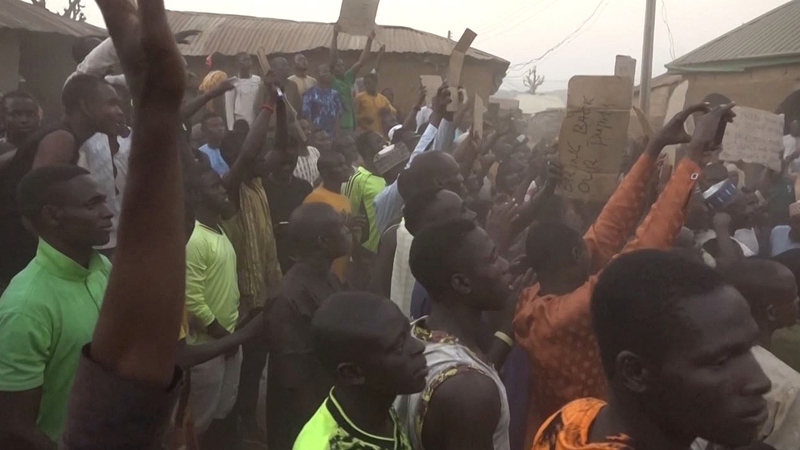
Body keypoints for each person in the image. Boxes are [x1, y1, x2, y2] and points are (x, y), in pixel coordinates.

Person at [514, 103, 720, 438]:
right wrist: (692, 159)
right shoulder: (566, 315)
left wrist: (654, 148)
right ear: (574, 255)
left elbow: (609, 225)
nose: (592, 242)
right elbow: (646, 248)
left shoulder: (535, 295)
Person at [56, 0, 189, 446]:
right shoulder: (65, 140)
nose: (118, 111)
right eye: (109, 104)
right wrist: (156, 105)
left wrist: (158, 105)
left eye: (121, 104)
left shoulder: (122, 140)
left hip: (115, 252)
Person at [532, 250, 772, 450]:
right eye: (720, 361)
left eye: (750, 347)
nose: (761, 382)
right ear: (635, 372)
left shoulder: (571, 419)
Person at [0, 165, 113, 448]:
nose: (108, 212)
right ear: (52, 215)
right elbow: (15, 427)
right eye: (92, 205)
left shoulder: (102, 268)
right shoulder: (26, 307)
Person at [396, 218, 515, 450]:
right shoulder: (468, 391)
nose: (505, 265)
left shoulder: (413, 335)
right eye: (493, 259)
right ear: (461, 283)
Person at [0, 74, 122, 286]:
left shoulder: (58, 134)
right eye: (111, 104)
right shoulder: (61, 138)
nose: (119, 111)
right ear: (85, 106)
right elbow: (38, 206)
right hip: (20, 250)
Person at [293, 292, 428, 450]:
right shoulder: (325, 446)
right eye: (399, 344)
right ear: (351, 373)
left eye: (408, 331)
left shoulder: (376, 404)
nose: (419, 346)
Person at [267, 202, 351, 450]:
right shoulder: (288, 297)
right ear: (323, 241)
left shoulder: (328, 277)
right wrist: (325, 432)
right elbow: (295, 382)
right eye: (341, 227)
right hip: (307, 424)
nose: (347, 231)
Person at [693, 259, 800, 450]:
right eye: (792, 296)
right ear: (772, 312)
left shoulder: (693, 359)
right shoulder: (787, 388)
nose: (798, 301)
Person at [183, 165, 243, 436]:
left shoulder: (219, 230)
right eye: (214, 187)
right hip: (207, 346)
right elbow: (192, 299)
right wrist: (223, 337)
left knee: (222, 412)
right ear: (197, 195)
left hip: (227, 340)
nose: (223, 190)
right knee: (197, 423)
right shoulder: (195, 239)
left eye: (221, 184)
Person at [303, 150, 355, 282]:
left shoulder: (343, 198)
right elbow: (310, 239)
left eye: (345, 163)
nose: (346, 168)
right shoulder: (315, 198)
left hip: (341, 274)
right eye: (339, 165)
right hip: (324, 276)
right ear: (325, 173)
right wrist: (344, 226)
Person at [263, 138, 314, 273]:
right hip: (270, 256)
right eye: (282, 163)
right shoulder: (262, 189)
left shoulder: (304, 188)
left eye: (290, 163)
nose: (286, 168)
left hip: (299, 255)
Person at [343, 131, 387, 254]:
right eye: (378, 141)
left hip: (390, 246)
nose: (384, 143)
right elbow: (350, 216)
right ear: (367, 149)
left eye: (383, 139)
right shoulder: (358, 179)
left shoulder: (391, 174)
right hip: (370, 250)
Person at [330, 25, 375, 135]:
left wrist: (369, 40)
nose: (341, 67)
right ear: (333, 68)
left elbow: (361, 62)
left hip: (350, 124)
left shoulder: (347, 77)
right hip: (337, 126)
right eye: (338, 66)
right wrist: (335, 35)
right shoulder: (332, 80)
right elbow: (334, 57)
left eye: (342, 65)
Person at [302, 64, 343, 138]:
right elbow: (307, 116)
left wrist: (337, 135)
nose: (327, 74)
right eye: (324, 71)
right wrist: (313, 134)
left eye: (329, 72)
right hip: (317, 135)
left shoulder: (335, 94)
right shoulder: (310, 93)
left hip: (332, 135)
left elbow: (337, 116)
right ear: (317, 74)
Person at [224, 52, 262, 129]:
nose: (248, 62)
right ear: (237, 64)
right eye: (244, 60)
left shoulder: (257, 80)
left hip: (256, 121)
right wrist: (231, 128)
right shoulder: (232, 82)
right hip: (240, 122)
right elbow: (229, 107)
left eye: (249, 59)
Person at [293, 119, 321, 185]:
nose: (308, 132)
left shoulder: (315, 151)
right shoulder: (290, 160)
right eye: (303, 129)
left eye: (308, 128)